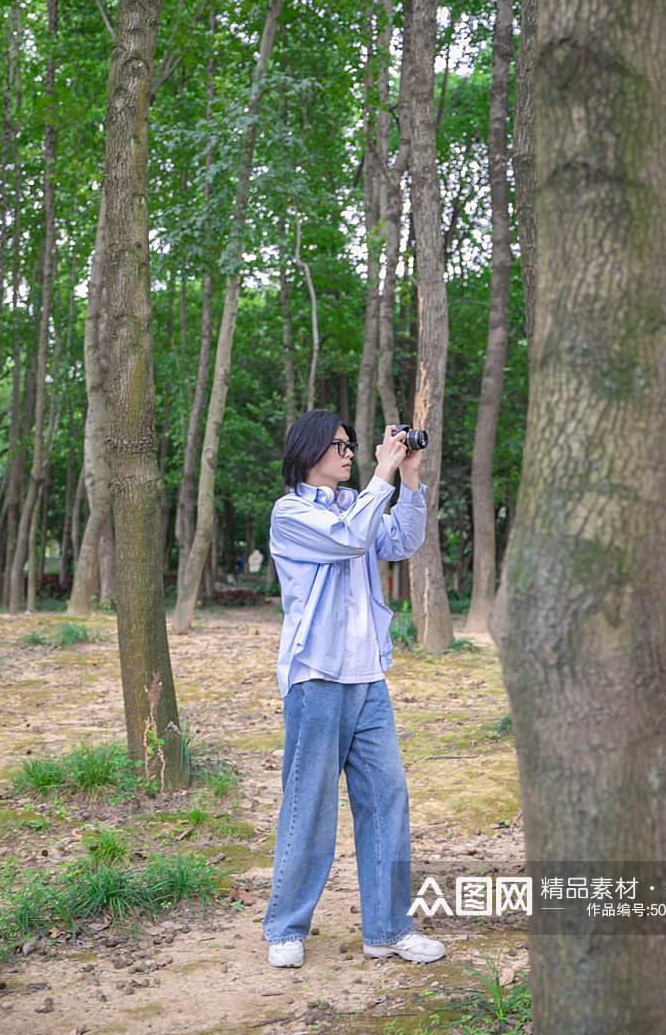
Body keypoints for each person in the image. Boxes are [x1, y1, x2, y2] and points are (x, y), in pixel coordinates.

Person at [263, 409, 446, 968]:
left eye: (353, 446)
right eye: (340, 446)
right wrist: (381, 477)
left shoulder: (355, 506)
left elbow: (402, 539)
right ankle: (286, 928)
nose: (350, 453)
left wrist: (408, 477)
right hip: (317, 678)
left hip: (369, 678)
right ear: (310, 451)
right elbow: (349, 540)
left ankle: (388, 928)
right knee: (310, 804)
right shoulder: (290, 512)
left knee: (387, 799)